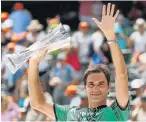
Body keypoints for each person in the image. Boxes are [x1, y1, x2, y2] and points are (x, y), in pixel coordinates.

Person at [28, 3, 130, 121]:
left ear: (109, 88)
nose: (95, 88)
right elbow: (37, 104)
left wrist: (111, 37)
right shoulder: (70, 113)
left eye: (101, 84)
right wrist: (33, 64)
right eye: (91, 84)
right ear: (85, 87)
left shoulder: (117, 112)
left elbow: (122, 74)